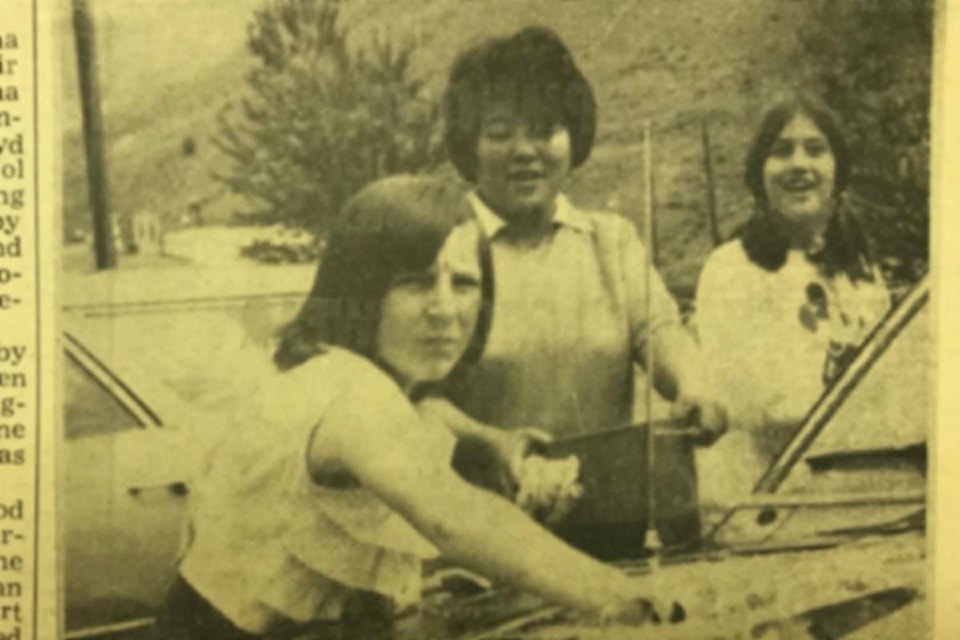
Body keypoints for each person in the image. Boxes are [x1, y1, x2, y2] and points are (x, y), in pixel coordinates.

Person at [156, 176, 668, 640]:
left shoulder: (343, 371)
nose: (444, 310)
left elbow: (426, 413)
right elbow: (458, 519)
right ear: (361, 291)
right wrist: (621, 598)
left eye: (464, 284)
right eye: (417, 283)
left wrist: (488, 438)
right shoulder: (351, 394)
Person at [430, 26, 726, 547]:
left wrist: (695, 389)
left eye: (545, 130)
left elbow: (660, 331)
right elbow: (412, 396)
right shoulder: (442, 250)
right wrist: (488, 442)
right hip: (482, 541)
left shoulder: (611, 241)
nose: (525, 151)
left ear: (573, 138)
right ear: (469, 144)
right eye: (500, 133)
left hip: (614, 523)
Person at [694, 96, 890, 506]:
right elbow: (749, 403)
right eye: (782, 151)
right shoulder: (731, 269)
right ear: (759, 175)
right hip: (765, 499)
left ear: (838, 172)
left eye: (816, 150)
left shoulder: (861, 273)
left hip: (860, 492)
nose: (800, 164)